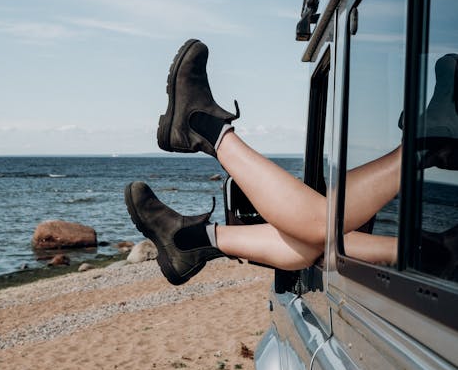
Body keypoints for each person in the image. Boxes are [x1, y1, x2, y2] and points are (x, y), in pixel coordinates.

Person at [125, 40, 458, 286]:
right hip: (438, 255)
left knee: (320, 229)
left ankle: (206, 133)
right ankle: (192, 238)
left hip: (440, 262)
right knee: (321, 235)